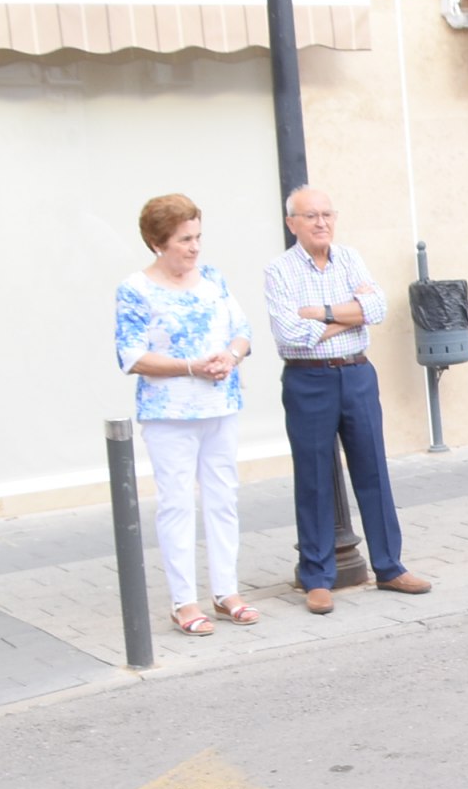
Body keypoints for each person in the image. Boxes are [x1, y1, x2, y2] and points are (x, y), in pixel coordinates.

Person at [263, 186, 431, 614]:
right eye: (310, 216)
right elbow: (289, 334)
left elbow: (376, 309)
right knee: (314, 477)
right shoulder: (279, 271)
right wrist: (347, 313)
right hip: (308, 380)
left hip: (356, 372)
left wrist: (319, 313)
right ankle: (318, 577)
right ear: (292, 224)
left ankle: (389, 566)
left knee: (372, 467)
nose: (321, 223)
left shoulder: (351, 257)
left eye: (327, 214)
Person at [114, 194, 257, 637]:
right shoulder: (136, 289)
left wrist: (230, 357)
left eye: (197, 237)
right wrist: (191, 367)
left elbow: (243, 332)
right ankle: (184, 601)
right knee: (177, 503)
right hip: (169, 412)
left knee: (223, 497)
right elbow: (132, 355)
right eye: (184, 239)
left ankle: (226, 591)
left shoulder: (212, 278)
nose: (194, 248)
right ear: (158, 243)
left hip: (221, 403)